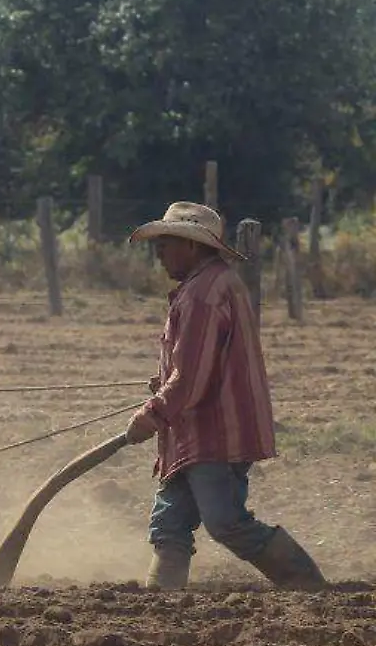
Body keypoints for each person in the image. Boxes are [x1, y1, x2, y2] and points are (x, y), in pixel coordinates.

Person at [125, 202, 324, 590]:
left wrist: (153, 412)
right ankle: (159, 604)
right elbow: (200, 365)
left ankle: (308, 586)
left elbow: (192, 377)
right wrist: (165, 383)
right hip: (196, 430)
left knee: (225, 522)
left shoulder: (202, 294)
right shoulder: (214, 283)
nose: (159, 252)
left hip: (214, 432)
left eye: (166, 243)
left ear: (193, 246)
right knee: (170, 523)